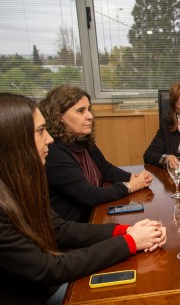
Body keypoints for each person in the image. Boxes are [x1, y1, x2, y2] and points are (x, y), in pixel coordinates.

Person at [0, 93, 167, 305]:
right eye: (40, 131)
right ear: (11, 141)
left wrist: (125, 231)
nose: (49, 138)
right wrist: (129, 243)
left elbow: (60, 228)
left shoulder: (13, 179)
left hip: (35, 293)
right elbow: (49, 268)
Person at [39, 85, 153, 223]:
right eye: (81, 111)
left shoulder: (81, 139)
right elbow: (89, 195)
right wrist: (130, 186)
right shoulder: (53, 152)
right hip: (75, 228)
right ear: (59, 117)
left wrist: (134, 177)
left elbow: (105, 169)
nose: (90, 116)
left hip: (94, 214)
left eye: (89, 110)